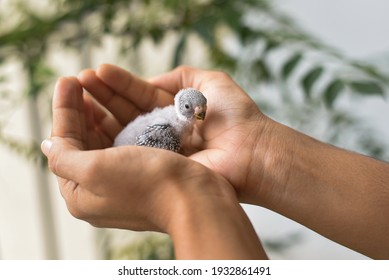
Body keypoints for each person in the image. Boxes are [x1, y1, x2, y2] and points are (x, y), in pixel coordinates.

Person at [41, 64, 389, 260]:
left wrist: (181, 193)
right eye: (194, 110)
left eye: (201, 110)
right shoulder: (164, 128)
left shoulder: (177, 124)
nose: (201, 115)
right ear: (183, 107)